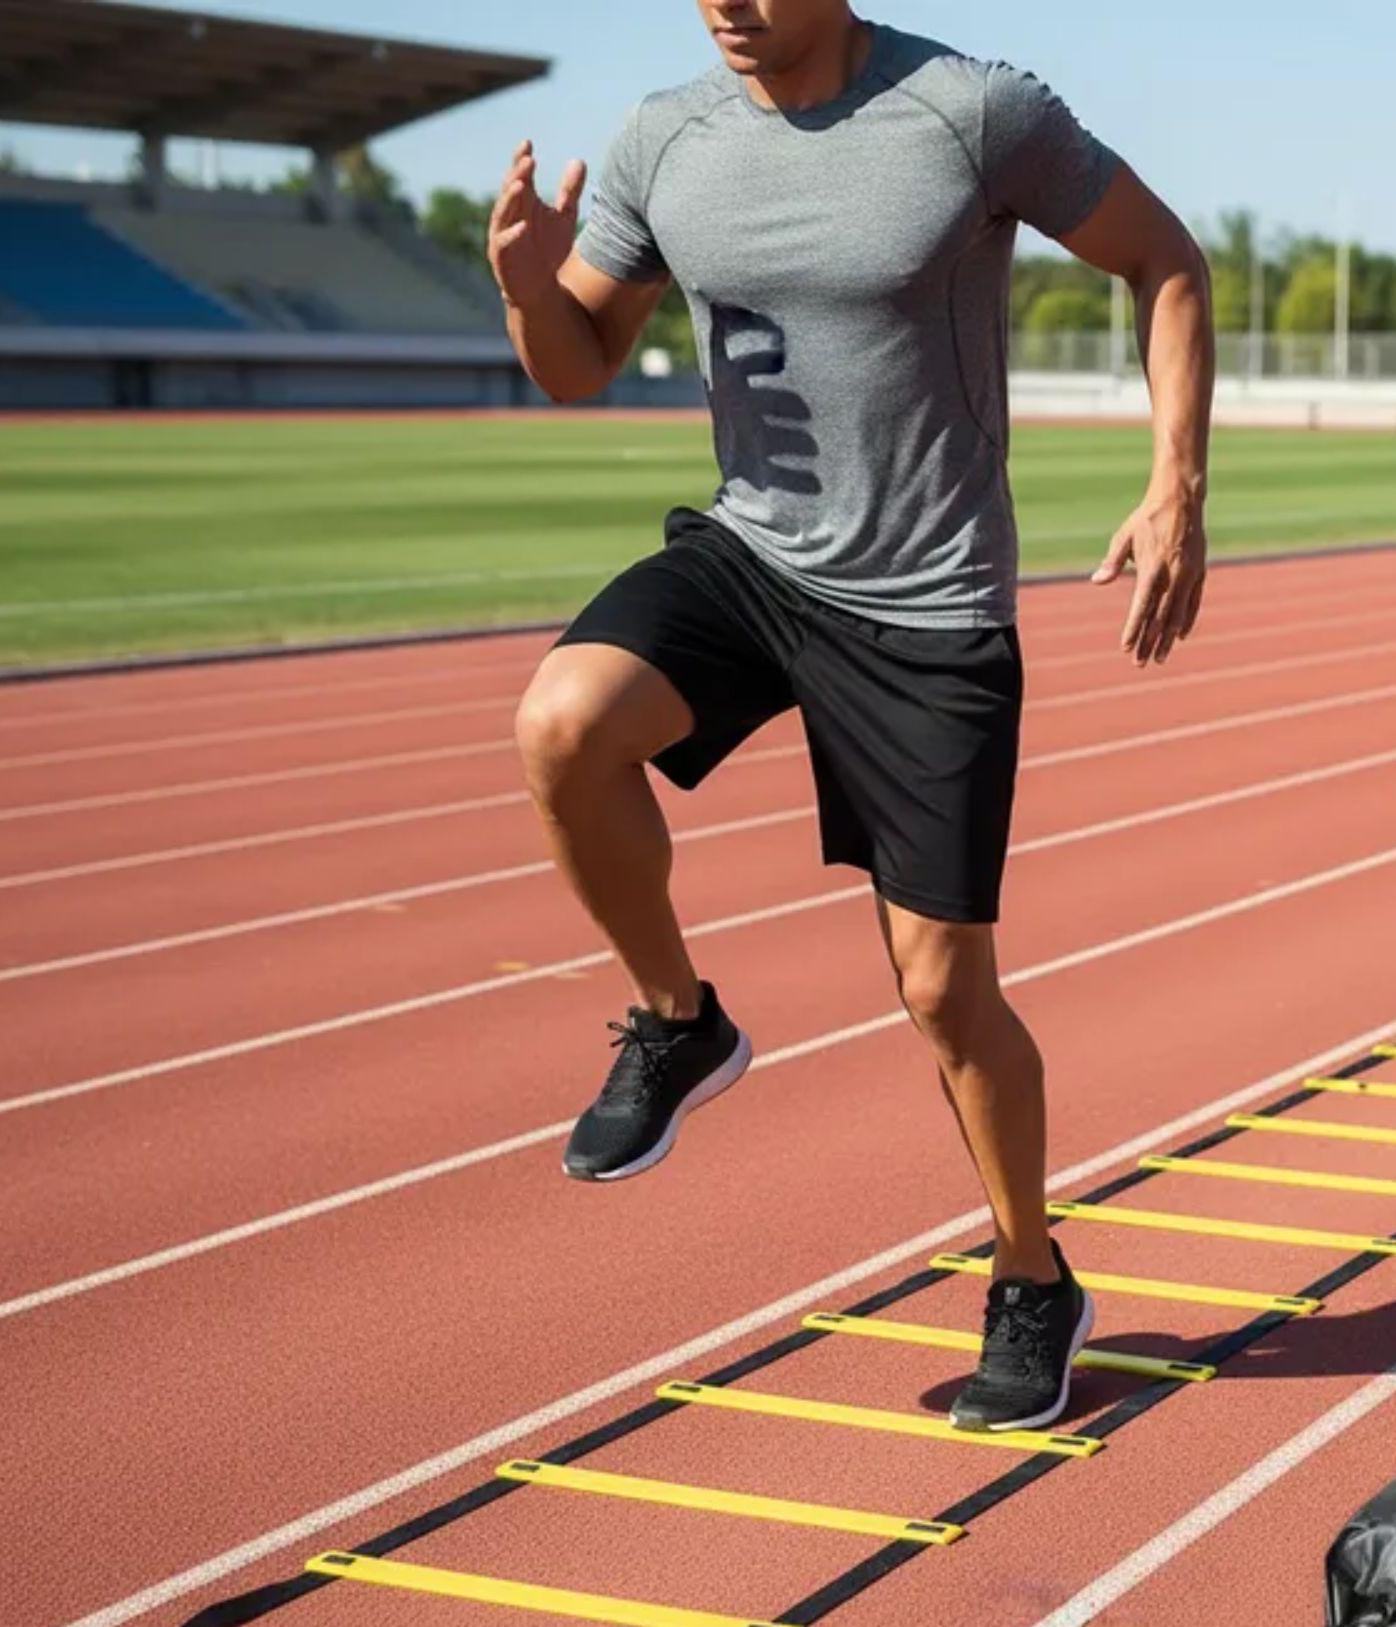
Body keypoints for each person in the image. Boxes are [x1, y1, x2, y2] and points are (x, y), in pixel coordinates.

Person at [490, 1, 1213, 1433]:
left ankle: (1029, 1275)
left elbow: (1164, 259)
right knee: (563, 723)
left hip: (929, 605)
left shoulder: (973, 112)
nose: (732, 8)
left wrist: (1175, 479)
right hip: (754, 559)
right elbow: (575, 363)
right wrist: (524, 285)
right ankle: (676, 1019)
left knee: (945, 991)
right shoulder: (665, 140)